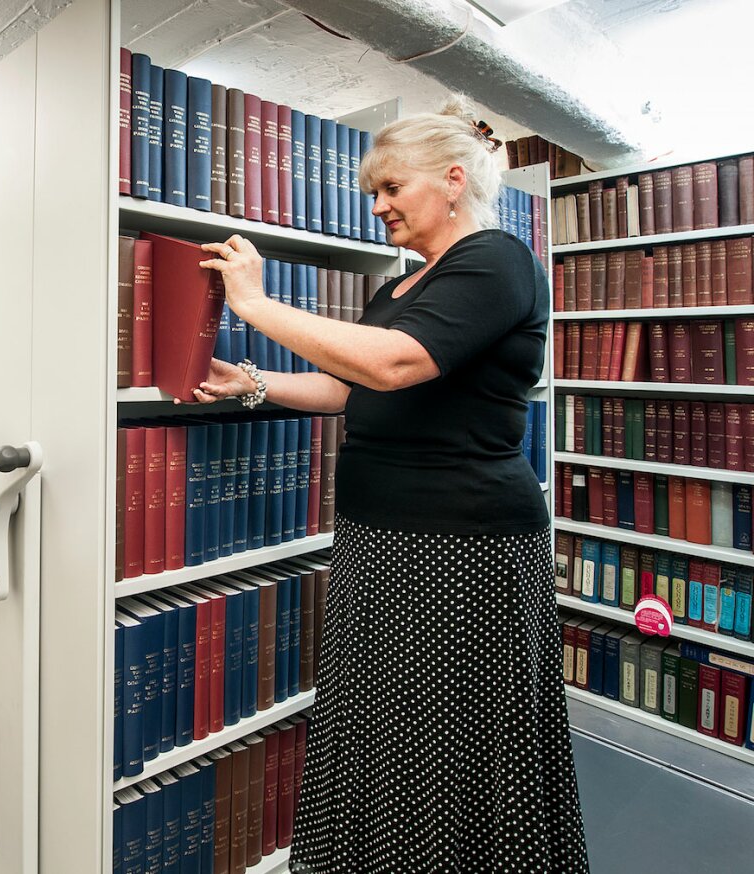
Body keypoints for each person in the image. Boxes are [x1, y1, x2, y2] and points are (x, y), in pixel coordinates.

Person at [193, 96, 589, 872]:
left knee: (453, 739)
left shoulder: (498, 259)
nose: (378, 207)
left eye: (391, 189)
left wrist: (254, 303)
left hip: (460, 546)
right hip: (379, 536)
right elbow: (352, 389)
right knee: (385, 727)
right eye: (374, 192)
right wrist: (246, 382)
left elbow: (392, 364)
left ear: (450, 181)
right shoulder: (409, 285)